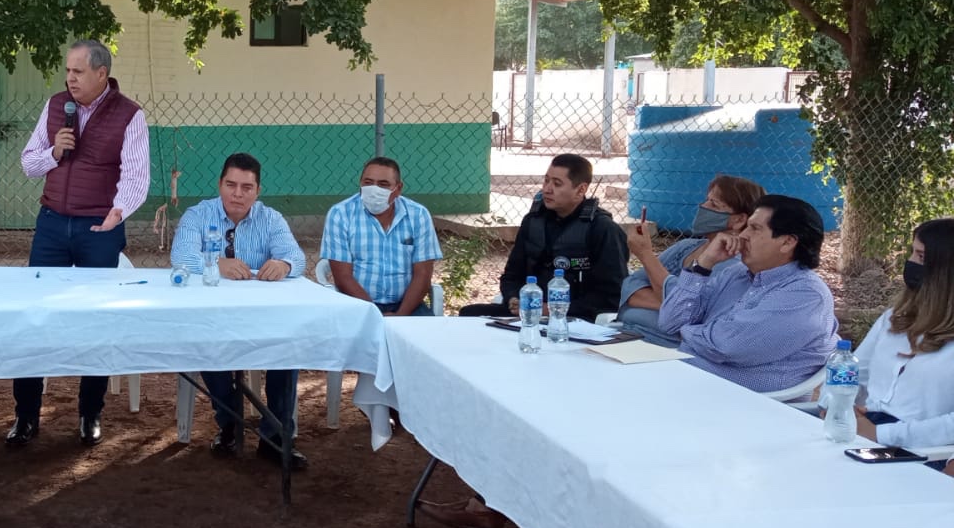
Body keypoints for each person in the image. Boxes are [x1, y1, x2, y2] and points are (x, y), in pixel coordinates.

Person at [9, 39, 150, 448]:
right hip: (52, 225)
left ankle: (90, 413)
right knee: (35, 316)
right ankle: (26, 415)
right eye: (67, 71)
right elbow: (28, 163)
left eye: (78, 72)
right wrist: (55, 152)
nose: (70, 79)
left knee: (96, 320)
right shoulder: (56, 107)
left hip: (99, 229)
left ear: (101, 74)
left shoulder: (129, 115)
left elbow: (136, 176)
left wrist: (118, 212)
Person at [170, 153, 308, 469]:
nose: (238, 194)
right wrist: (216, 264)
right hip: (212, 317)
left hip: (262, 318)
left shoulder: (271, 219)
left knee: (288, 348)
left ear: (258, 190)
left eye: (247, 187)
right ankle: (230, 424)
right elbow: (180, 257)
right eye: (231, 185)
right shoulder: (197, 215)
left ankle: (276, 436)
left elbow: (297, 258)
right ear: (220, 185)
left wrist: (284, 264)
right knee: (206, 347)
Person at [657, 194, 837, 392]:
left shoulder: (806, 295)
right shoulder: (736, 273)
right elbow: (669, 322)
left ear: (787, 242)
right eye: (747, 226)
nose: (742, 235)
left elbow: (725, 346)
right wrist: (703, 264)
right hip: (690, 383)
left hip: (747, 402)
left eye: (755, 228)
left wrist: (685, 331)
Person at [459, 153, 628, 321]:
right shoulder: (533, 221)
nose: (547, 189)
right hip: (528, 312)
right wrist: (513, 298)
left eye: (557, 184)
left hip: (575, 318)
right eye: (546, 181)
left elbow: (612, 296)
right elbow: (511, 275)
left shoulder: (602, 229)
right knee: (469, 314)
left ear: (580, 190)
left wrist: (552, 308)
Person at [846, 219, 954, 450]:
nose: (911, 263)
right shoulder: (894, 317)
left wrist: (880, 434)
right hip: (859, 429)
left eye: (921, 256)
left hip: (918, 451)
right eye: (912, 253)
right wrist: (836, 404)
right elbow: (854, 370)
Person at [618, 175, 764, 339]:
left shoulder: (734, 265)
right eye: (706, 200)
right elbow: (630, 287)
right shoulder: (687, 246)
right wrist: (674, 306)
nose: (703, 206)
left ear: (739, 220)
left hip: (666, 346)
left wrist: (646, 255)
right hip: (629, 334)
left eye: (713, 204)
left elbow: (692, 317)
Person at [321, 156, 443, 317]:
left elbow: (423, 274)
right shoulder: (340, 214)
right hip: (357, 304)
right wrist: (376, 316)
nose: (374, 189)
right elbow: (343, 277)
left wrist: (400, 315)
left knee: (427, 333)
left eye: (383, 184)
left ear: (398, 189)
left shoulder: (418, 214)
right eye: (368, 182)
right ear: (360, 183)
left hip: (408, 305)